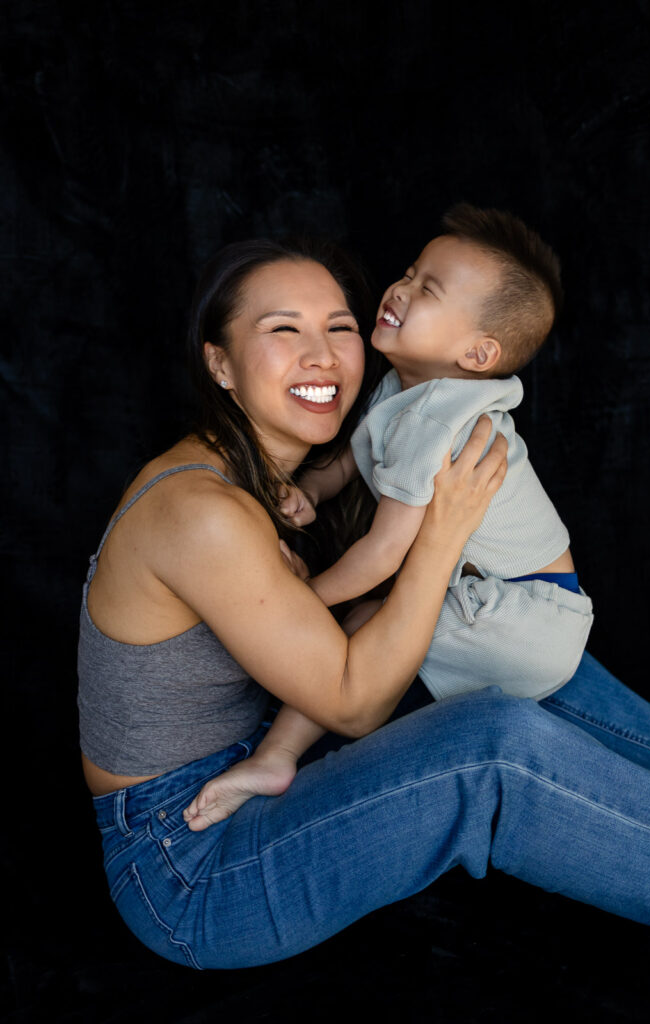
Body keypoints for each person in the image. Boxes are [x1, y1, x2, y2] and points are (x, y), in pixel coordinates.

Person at [79, 237, 650, 972]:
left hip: (257, 762)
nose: (322, 354)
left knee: (517, 666)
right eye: (283, 329)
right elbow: (354, 703)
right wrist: (441, 535)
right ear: (219, 363)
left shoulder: (272, 477)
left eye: (337, 326)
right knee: (491, 742)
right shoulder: (200, 511)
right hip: (189, 863)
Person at [185, 204, 594, 821]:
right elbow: (356, 456)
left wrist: (299, 601)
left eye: (427, 290)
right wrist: (316, 490)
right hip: (534, 604)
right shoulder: (407, 390)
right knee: (366, 629)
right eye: (409, 272)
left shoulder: (438, 420)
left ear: (479, 354)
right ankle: (278, 756)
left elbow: (384, 552)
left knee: (362, 637)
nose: (400, 289)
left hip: (527, 615)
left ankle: (281, 758)